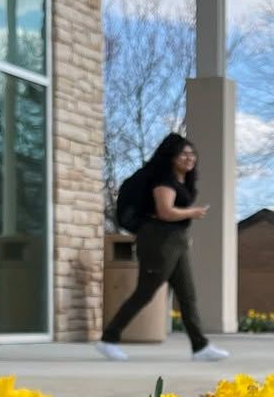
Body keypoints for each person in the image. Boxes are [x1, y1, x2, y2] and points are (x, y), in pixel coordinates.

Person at [98, 133, 230, 363]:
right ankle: (108, 339)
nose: (190, 158)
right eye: (184, 154)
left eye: (192, 153)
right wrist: (193, 212)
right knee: (145, 291)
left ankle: (200, 347)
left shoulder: (180, 180)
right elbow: (165, 211)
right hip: (158, 240)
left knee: (187, 295)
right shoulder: (164, 180)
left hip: (176, 240)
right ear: (172, 156)